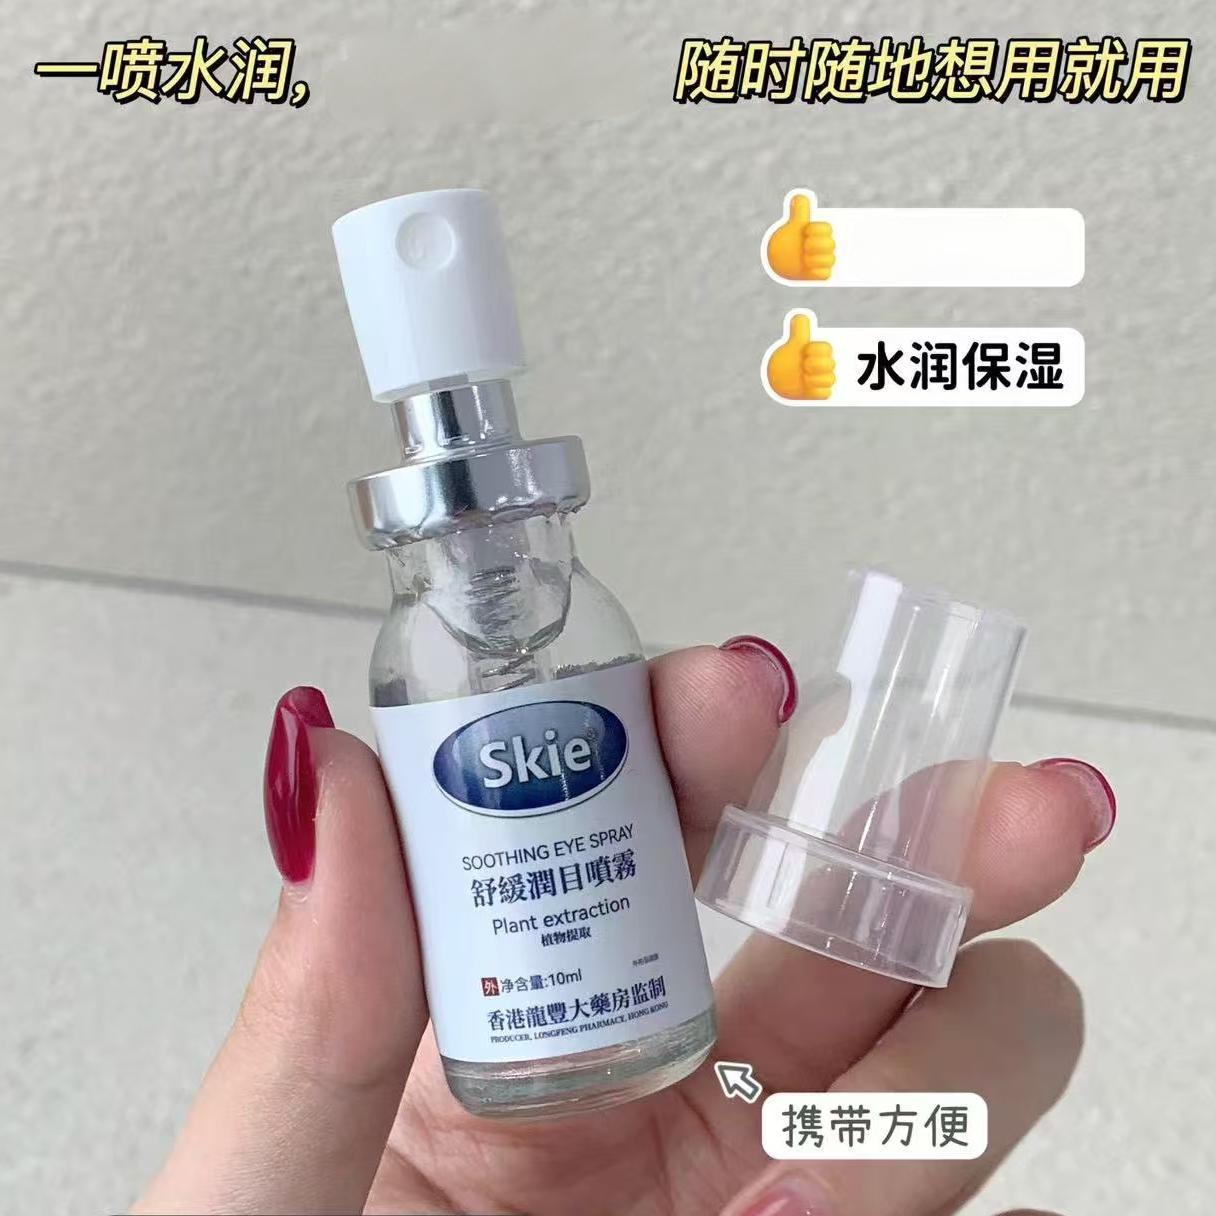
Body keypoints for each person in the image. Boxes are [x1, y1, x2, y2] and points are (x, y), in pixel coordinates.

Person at [133, 639, 1115, 1216]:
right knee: (711, 709)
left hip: (644, 1039)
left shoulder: (561, 631)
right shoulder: (419, 653)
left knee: (713, 711)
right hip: (512, 1058)